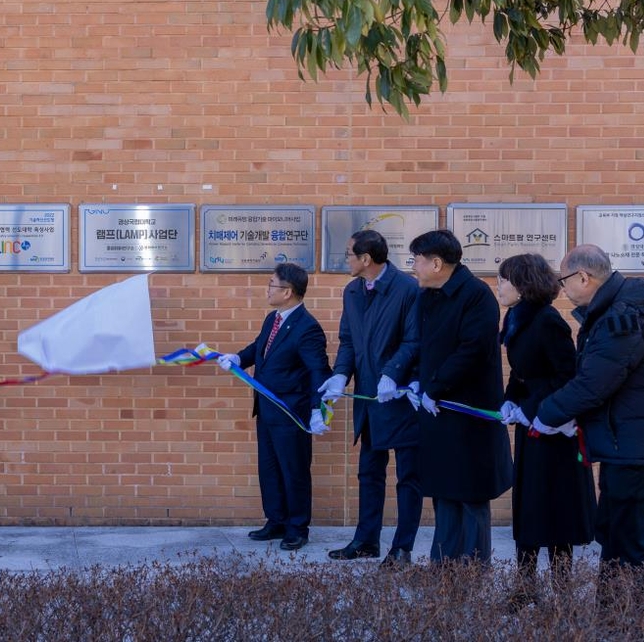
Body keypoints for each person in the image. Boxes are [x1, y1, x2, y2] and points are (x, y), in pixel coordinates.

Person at [535, 244, 644, 583]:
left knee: (631, 545)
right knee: (617, 538)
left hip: (637, 451)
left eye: (564, 281)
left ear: (583, 277)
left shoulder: (621, 319)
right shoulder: (616, 312)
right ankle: (617, 620)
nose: (563, 289)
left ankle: (637, 624)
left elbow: (593, 383)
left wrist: (547, 415)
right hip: (628, 447)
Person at [495, 253, 595, 607]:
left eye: (504, 279)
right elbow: (521, 372)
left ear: (523, 285)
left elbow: (564, 377)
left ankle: (562, 592)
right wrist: (509, 400)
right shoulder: (516, 319)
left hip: (554, 430)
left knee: (555, 511)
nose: (499, 286)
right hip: (529, 429)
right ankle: (525, 588)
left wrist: (532, 409)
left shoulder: (549, 321)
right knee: (528, 508)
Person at [319, 231, 422, 567]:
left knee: (408, 476)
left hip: (400, 396)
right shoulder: (351, 291)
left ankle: (402, 548)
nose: (345, 259)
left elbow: (413, 340)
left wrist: (392, 373)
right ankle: (366, 540)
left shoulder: (407, 289)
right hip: (367, 396)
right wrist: (339, 375)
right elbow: (348, 340)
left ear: (366, 259)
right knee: (369, 472)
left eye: (349, 254)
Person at [408, 230, 512, 565]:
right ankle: (443, 565)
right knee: (443, 491)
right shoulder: (427, 296)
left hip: (467, 412)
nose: (413, 268)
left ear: (436, 263)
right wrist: (414, 382)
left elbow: (473, 350)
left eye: (417, 260)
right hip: (436, 412)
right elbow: (422, 348)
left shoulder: (476, 296)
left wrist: (434, 387)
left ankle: (472, 568)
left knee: (470, 493)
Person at [218, 263, 332, 552]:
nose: (267, 289)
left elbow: (320, 371)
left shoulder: (308, 328)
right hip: (266, 410)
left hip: (291, 412)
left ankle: (297, 528)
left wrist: (320, 409)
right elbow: (259, 349)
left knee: (293, 469)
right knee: (269, 468)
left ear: (288, 291)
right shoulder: (273, 318)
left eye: (272, 284)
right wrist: (237, 358)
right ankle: (276, 521)